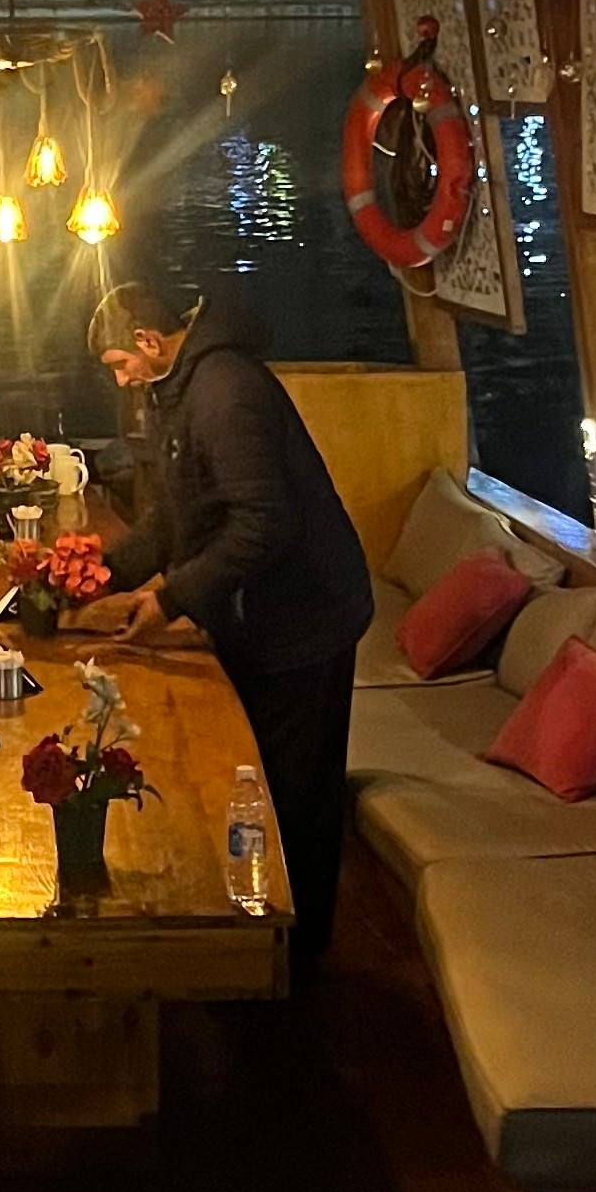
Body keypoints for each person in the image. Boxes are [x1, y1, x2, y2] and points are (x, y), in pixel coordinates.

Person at [85, 279, 373, 980]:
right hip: (263, 615)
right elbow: (177, 514)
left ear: (150, 343)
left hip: (303, 619)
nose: (123, 378)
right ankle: (248, 939)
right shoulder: (183, 388)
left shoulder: (224, 393)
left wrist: (172, 599)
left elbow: (261, 523)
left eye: (122, 363)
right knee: (257, 781)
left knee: (294, 794)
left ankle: (295, 964)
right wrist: (105, 573)